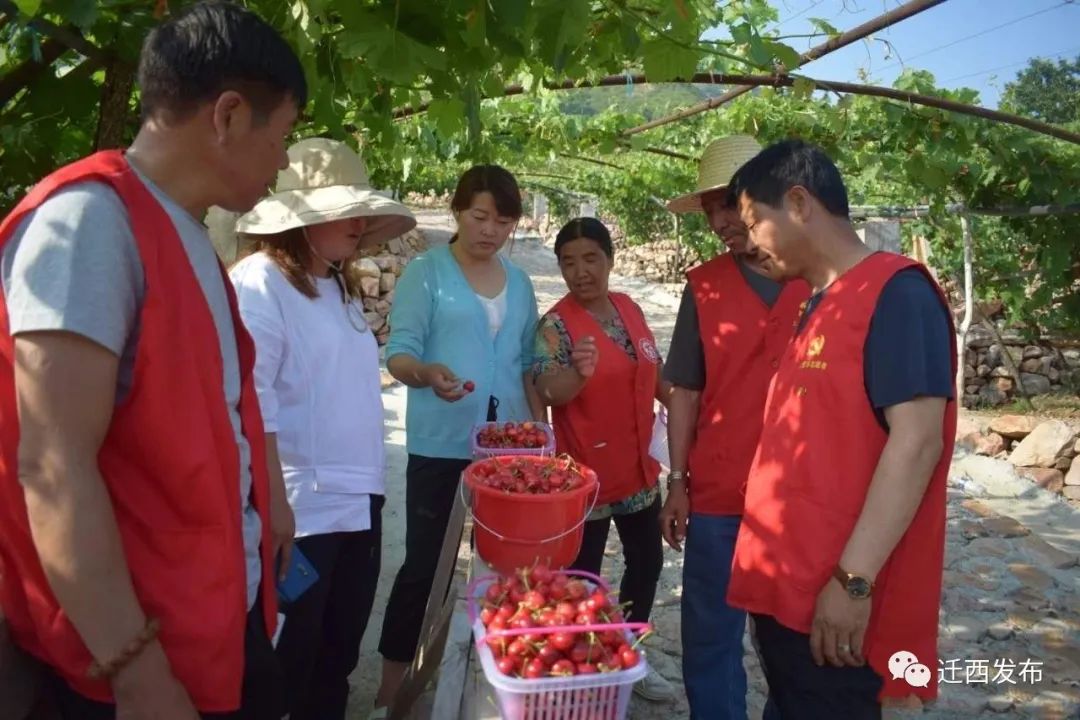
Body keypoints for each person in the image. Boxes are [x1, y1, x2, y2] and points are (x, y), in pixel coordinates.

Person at [0, 2, 305, 719]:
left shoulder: (188, 233)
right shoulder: (89, 225)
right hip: (132, 665)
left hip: (206, 622)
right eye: (284, 135)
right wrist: (136, 672)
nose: (285, 160)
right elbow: (51, 465)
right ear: (229, 116)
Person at [725, 139, 956, 719]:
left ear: (799, 203)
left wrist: (854, 581)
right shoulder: (816, 302)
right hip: (788, 591)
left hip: (842, 606)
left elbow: (917, 440)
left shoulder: (897, 293)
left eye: (755, 223)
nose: (749, 243)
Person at [228, 138, 417, 720]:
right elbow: (253, 402)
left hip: (355, 500)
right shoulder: (260, 283)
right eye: (344, 212)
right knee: (289, 658)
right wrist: (276, 504)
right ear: (300, 219)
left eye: (360, 211)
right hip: (303, 514)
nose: (357, 223)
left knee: (336, 654)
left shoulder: (334, 282)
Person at [371, 164, 543, 717]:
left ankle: (492, 689)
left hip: (507, 447)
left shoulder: (518, 282)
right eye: (480, 216)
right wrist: (427, 374)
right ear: (458, 212)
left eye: (503, 221)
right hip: (441, 441)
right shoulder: (427, 272)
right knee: (424, 567)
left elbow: (526, 362)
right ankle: (391, 691)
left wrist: (542, 433)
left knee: (503, 569)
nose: (491, 230)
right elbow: (399, 353)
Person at [658, 135, 811, 720]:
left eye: (730, 202)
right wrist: (678, 479)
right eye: (710, 209)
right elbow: (686, 390)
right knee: (710, 633)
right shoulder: (704, 287)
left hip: (800, 497)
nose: (721, 220)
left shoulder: (818, 281)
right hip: (720, 490)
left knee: (791, 639)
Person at [533, 217, 674, 703]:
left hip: (638, 472)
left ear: (610, 260)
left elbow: (654, 372)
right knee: (583, 578)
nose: (580, 271)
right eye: (568, 262)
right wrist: (576, 374)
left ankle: (628, 649)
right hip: (585, 480)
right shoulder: (555, 324)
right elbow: (547, 389)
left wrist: (688, 406)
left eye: (591, 258)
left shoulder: (629, 308)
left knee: (646, 563)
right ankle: (583, 669)